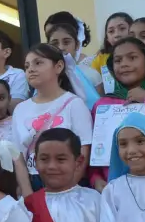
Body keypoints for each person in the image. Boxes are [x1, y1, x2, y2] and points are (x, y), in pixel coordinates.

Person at [90, 37, 145, 191]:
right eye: (118, 60)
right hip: (112, 186)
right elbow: (95, 146)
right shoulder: (102, 105)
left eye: (132, 58)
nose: (124, 64)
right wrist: (95, 177)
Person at [13, 44, 93, 189]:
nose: (30, 69)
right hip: (34, 182)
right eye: (27, 66)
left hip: (69, 183)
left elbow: (83, 152)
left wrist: (66, 190)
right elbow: (18, 157)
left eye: (38, 63)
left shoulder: (74, 104)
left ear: (58, 66)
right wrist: (28, 195)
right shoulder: (20, 109)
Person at [44, 14, 102, 89]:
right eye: (54, 42)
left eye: (66, 42)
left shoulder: (91, 73)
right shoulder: (44, 76)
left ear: (76, 43)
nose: (61, 47)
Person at [90, 12, 133, 92]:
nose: (117, 34)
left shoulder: (140, 56)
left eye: (122, 28)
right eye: (111, 31)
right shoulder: (100, 59)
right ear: (107, 38)